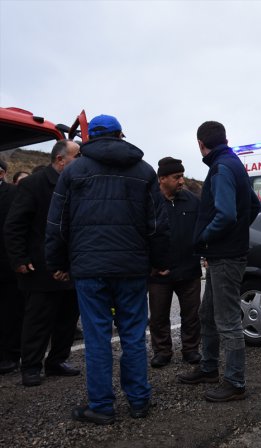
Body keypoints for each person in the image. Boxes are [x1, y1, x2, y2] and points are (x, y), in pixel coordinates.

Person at [45, 115, 170, 424]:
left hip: (89, 269)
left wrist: (58, 264)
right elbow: (157, 225)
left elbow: (58, 224)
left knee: (98, 337)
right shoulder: (143, 172)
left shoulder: (74, 171)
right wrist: (160, 263)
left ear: (92, 137)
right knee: (133, 334)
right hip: (131, 268)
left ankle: (101, 406)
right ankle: (139, 400)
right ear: (119, 134)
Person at [177, 121, 260, 404]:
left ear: (200, 143)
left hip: (224, 256)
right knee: (207, 313)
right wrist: (235, 235)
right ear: (225, 139)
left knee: (227, 321)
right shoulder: (233, 163)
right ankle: (208, 369)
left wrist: (204, 239)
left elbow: (225, 215)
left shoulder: (222, 167)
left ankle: (236, 383)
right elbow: (254, 205)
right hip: (224, 254)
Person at [4, 140, 81, 387]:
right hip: (40, 267)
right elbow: (15, 225)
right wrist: (19, 259)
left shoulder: (77, 184)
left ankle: (57, 361)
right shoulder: (33, 185)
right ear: (60, 160)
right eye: (76, 157)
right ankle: (31, 367)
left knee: (67, 320)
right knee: (38, 320)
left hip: (71, 266)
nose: (81, 161)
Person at [148, 157, 202, 368]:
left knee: (191, 314)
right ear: (162, 179)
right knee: (159, 316)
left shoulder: (192, 201)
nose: (182, 181)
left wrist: (202, 255)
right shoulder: (149, 201)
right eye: (176, 177)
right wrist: (151, 264)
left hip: (189, 270)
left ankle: (191, 349)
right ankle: (162, 351)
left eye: (182, 176)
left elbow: (201, 230)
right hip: (158, 273)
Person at [0, 159, 22, 374]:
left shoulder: (13, 194)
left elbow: (17, 228)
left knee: (8, 313)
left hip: (6, 265)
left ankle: (10, 355)